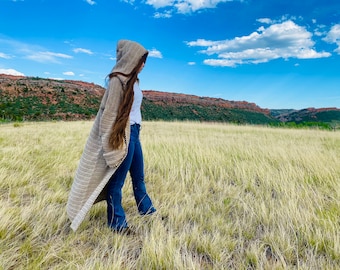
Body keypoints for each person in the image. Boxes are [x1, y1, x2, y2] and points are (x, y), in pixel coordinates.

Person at [66, 40, 156, 233]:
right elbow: (108, 115)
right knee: (117, 183)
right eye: (142, 60)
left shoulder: (134, 80)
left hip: (135, 133)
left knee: (139, 177)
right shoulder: (117, 80)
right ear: (133, 58)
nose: (144, 65)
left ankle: (147, 211)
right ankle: (117, 224)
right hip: (122, 135)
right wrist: (111, 147)